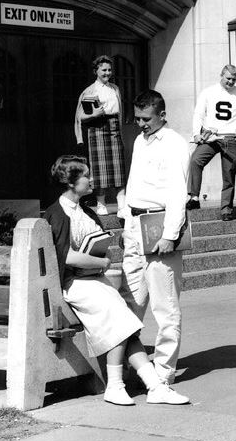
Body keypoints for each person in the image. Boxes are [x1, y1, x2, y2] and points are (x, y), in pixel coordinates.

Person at [44, 155, 189, 406]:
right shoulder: (56, 213)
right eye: (86, 176)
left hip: (94, 281)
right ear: (71, 182)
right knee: (121, 318)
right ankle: (115, 386)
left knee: (127, 323)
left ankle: (154, 387)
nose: (92, 180)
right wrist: (100, 262)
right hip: (74, 285)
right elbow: (64, 255)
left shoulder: (86, 211)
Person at [120, 89, 190, 392]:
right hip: (135, 224)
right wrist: (125, 222)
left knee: (165, 307)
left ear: (162, 115)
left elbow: (178, 192)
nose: (141, 124)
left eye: (146, 119)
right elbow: (133, 181)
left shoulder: (174, 143)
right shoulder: (139, 140)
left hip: (159, 224)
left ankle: (163, 372)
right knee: (129, 302)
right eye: (137, 119)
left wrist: (169, 235)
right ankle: (124, 364)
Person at [186, 65, 236, 220]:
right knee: (195, 160)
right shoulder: (208, 92)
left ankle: (226, 210)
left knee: (229, 175)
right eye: (228, 78)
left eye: (233, 79)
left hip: (232, 139)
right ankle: (194, 198)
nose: (231, 82)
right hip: (211, 136)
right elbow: (198, 113)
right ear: (221, 75)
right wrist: (196, 134)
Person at [74, 55, 126, 216]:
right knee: (99, 170)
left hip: (114, 128)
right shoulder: (90, 91)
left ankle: (122, 205)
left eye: (109, 70)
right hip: (97, 129)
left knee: (118, 168)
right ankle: (101, 204)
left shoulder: (115, 88)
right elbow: (80, 117)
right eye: (104, 70)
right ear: (96, 71)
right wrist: (94, 114)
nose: (107, 73)